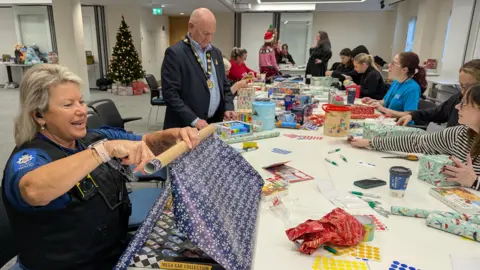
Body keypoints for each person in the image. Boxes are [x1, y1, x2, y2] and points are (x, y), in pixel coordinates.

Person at [2, 64, 200, 270]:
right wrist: (103, 152)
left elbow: (148, 143)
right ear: (39, 115)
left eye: (81, 102)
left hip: (111, 253)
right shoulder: (30, 156)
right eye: (68, 105)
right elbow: (33, 190)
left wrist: (174, 135)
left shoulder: (92, 138)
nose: (81, 111)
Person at [350, 84, 480, 190]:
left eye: (464, 104)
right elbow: (416, 142)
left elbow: (472, 181)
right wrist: (371, 142)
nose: (457, 107)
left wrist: (474, 181)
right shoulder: (460, 133)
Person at [161, 8, 235, 130]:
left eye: (212, 34)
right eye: (205, 33)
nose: (209, 38)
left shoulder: (216, 53)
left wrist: (228, 107)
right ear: (191, 26)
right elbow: (170, 94)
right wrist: (194, 120)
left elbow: (224, 86)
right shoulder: (175, 53)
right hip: (185, 127)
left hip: (212, 123)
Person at [397, 59, 480, 127]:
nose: (463, 92)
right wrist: (412, 115)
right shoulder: (458, 98)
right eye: (461, 86)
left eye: (469, 87)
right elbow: (437, 113)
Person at [362, 52, 426, 119]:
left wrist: (383, 109)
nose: (389, 65)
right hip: (388, 120)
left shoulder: (412, 88)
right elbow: (385, 101)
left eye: (393, 63)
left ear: (404, 70)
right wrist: (373, 101)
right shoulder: (396, 82)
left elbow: (409, 114)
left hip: (402, 126)